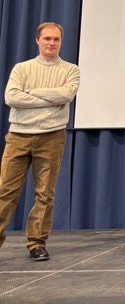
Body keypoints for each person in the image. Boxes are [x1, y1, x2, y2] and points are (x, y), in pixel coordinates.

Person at [0, 22, 80, 262]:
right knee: (5, 191)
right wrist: (50, 97)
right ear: (38, 40)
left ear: (61, 42)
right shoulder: (22, 68)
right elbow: (11, 97)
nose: (51, 43)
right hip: (18, 135)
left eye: (56, 39)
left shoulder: (71, 70)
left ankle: (36, 243)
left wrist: (30, 92)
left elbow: (66, 94)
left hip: (52, 136)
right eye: (47, 38)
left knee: (45, 193)